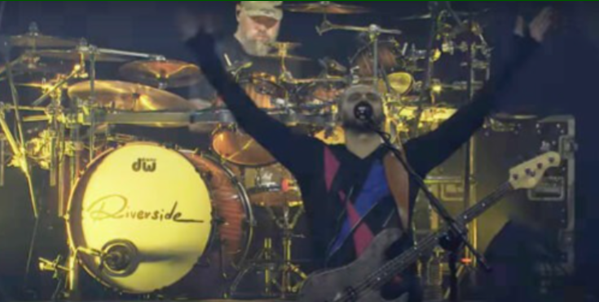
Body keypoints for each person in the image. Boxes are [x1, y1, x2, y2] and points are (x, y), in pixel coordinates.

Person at [184, 8, 555, 275]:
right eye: (354, 95)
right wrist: (204, 53)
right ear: (340, 115)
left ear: (382, 116)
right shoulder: (314, 157)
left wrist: (521, 53)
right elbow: (250, 116)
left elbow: (472, 116)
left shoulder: (407, 160)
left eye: (370, 96)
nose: (362, 97)